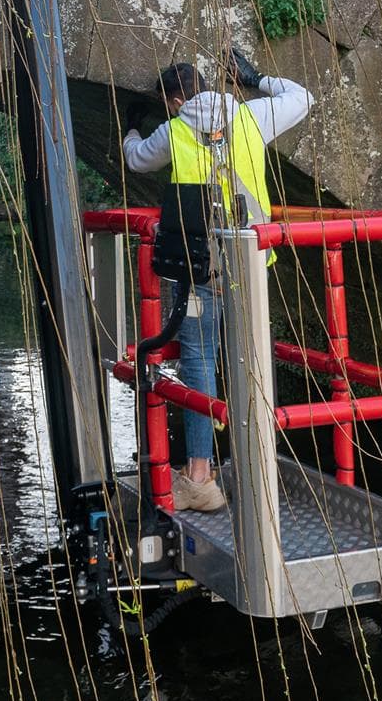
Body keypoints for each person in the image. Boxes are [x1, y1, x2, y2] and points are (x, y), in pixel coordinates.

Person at [123, 52, 314, 513]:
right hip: (250, 261)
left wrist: (130, 127)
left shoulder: (174, 130)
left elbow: (135, 160)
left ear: (173, 100)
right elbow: (303, 97)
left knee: (200, 361)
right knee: (252, 358)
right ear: (208, 84)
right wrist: (254, 78)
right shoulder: (251, 116)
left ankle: (201, 479)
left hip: (199, 267)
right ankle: (259, 466)